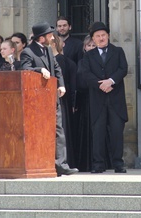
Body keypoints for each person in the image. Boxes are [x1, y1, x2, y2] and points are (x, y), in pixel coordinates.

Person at [20, 22, 78, 176]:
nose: (53, 37)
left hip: (52, 98)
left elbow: (57, 68)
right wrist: (39, 69)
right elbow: (25, 69)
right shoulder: (28, 52)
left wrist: (61, 85)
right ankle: (42, 163)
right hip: (37, 101)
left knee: (58, 131)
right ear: (41, 37)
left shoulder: (48, 50)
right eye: (50, 35)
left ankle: (61, 164)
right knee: (41, 132)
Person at [81, 22, 128, 173]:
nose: (101, 38)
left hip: (115, 99)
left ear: (108, 36)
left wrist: (111, 81)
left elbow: (123, 69)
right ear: (93, 39)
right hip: (98, 100)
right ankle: (98, 164)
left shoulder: (118, 51)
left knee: (116, 132)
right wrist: (100, 84)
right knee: (98, 132)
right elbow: (85, 73)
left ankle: (118, 163)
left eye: (103, 35)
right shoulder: (88, 56)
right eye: (97, 36)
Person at [51, 32, 77, 168]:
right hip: (55, 100)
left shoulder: (60, 60)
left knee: (61, 131)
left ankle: (63, 161)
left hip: (60, 100)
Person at [74, 35, 97, 172]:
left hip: (97, 98)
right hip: (84, 100)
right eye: (89, 45)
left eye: (93, 45)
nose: (91, 48)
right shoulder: (81, 62)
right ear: (84, 47)